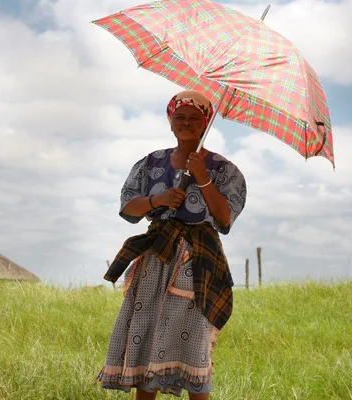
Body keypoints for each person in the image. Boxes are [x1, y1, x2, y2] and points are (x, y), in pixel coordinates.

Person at [96, 89, 247, 399]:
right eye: (180, 117)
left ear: (206, 123)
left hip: (198, 262)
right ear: (170, 122)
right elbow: (128, 207)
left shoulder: (225, 170)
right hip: (155, 260)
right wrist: (157, 199)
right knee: (145, 334)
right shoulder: (151, 163)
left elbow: (225, 218)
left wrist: (203, 177)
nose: (186, 123)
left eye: (195, 118)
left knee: (194, 343)